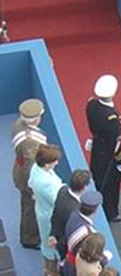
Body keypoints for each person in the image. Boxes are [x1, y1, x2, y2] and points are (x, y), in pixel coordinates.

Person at [86, 75, 121, 222]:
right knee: (110, 186)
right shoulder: (112, 118)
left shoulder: (91, 104)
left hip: (98, 147)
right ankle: (111, 213)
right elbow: (116, 143)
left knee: (98, 179)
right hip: (108, 155)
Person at [13, 98, 47, 248]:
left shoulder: (19, 125)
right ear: (36, 119)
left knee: (27, 206)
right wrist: (33, 187)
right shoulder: (30, 142)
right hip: (27, 179)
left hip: (19, 171)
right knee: (31, 210)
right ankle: (30, 239)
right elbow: (30, 167)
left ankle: (27, 234)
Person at [30, 144, 63, 275]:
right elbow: (58, 201)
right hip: (49, 217)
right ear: (47, 163)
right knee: (50, 249)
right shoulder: (45, 183)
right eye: (55, 160)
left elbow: (30, 183)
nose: (57, 162)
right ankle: (50, 272)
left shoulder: (38, 168)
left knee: (48, 246)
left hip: (43, 210)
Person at [51, 169, 91, 263]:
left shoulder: (62, 191)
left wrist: (53, 235)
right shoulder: (75, 211)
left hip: (58, 236)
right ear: (84, 187)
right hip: (65, 245)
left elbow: (55, 215)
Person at [63, 191, 104, 270]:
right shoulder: (88, 233)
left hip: (68, 260)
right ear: (95, 210)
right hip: (76, 268)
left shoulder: (74, 215)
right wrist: (105, 259)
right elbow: (90, 256)